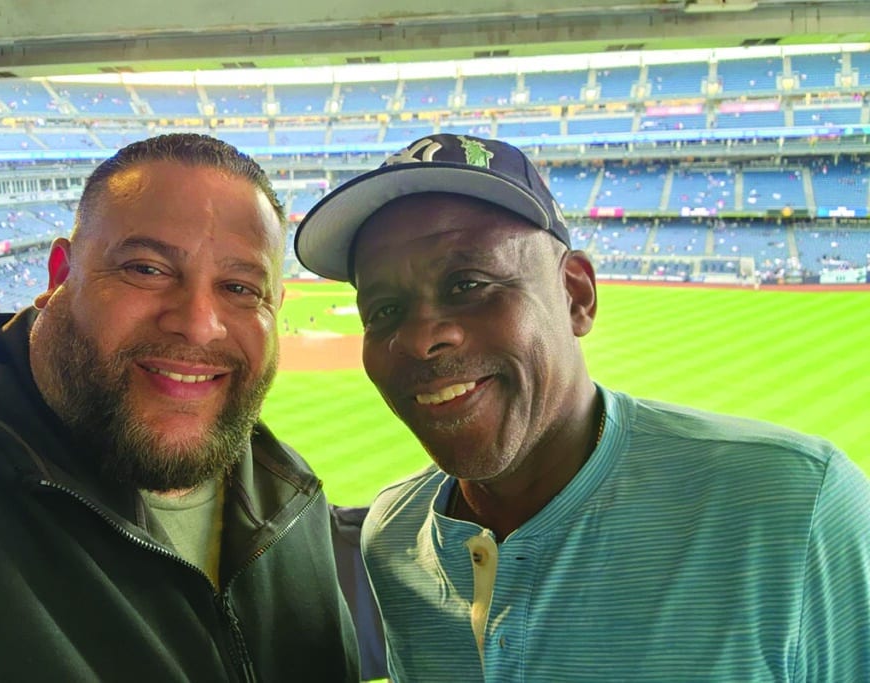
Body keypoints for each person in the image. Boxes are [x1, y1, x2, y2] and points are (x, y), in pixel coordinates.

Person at [294, 133, 870, 681]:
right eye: (384, 311)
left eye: (468, 284)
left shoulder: (798, 509)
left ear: (576, 295)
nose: (422, 339)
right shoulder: (392, 538)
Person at [0, 133, 359, 682]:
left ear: (274, 308)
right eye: (146, 269)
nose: (198, 324)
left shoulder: (293, 498)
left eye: (239, 287)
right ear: (59, 277)